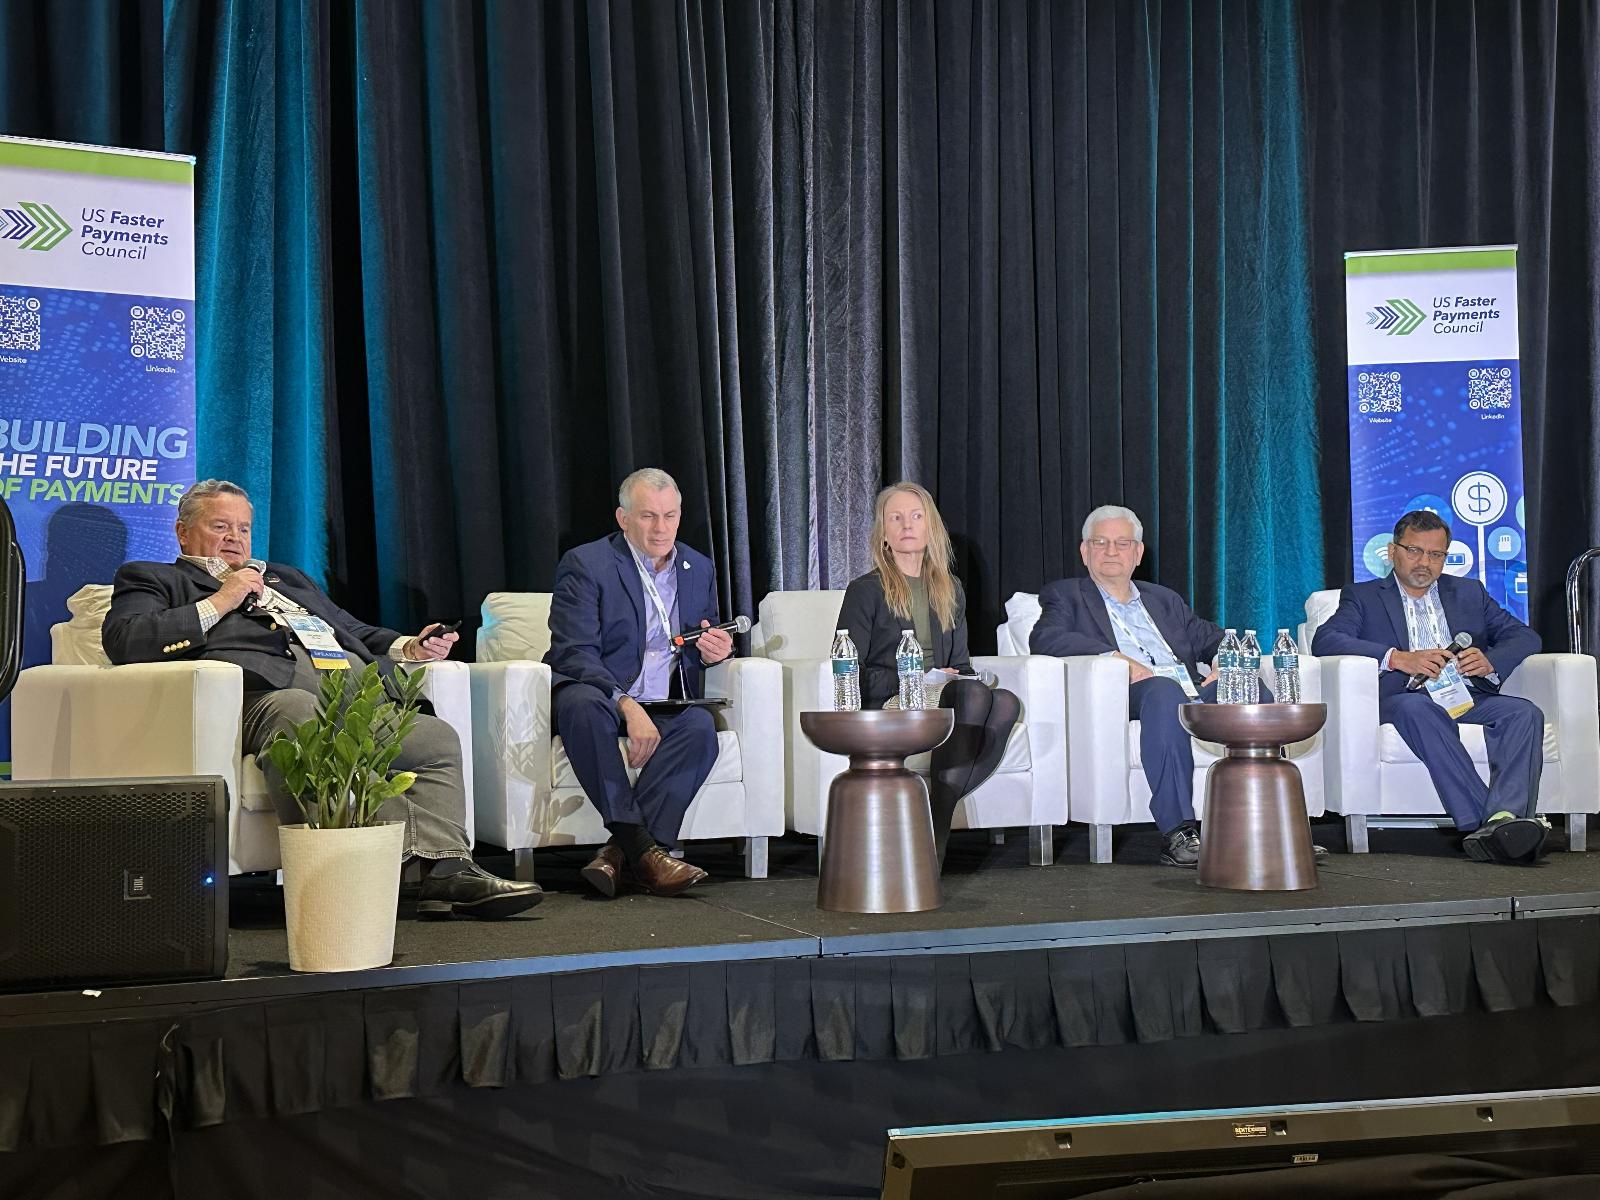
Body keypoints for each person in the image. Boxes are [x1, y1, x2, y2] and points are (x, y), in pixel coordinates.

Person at [103, 479, 543, 919]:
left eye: (243, 528)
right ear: (183, 532)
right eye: (220, 526)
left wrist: (411, 646)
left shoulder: (285, 579)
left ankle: (447, 871)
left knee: (434, 739)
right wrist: (223, 599)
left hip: (349, 695)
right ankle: (335, 875)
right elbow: (126, 640)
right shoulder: (153, 577)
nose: (234, 538)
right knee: (297, 710)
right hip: (262, 698)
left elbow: (351, 630)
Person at [1029, 504, 1265, 868]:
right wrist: (1115, 658)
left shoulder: (1163, 599)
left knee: (1251, 685)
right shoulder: (1066, 595)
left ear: (1137, 553)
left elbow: (1214, 638)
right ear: (1084, 551)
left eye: (1122, 543)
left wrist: (1224, 662)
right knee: (1163, 690)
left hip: (1191, 691)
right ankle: (1179, 832)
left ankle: (1268, 823)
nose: (1111, 551)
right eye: (1100, 542)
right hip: (1131, 694)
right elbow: (1045, 638)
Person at [1312, 509, 1548, 863]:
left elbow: (1525, 636)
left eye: (1436, 554)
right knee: (1418, 707)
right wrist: (1397, 658)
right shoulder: (1363, 596)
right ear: (1393, 551)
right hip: (1404, 698)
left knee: (1524, 713)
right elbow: (1326, 640)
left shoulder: (1469, 592)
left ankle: (1504, 817)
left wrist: (1490, 660)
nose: (1425, 562)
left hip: (1466, 696)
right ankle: (1492, 826)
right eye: (1414, 551)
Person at [546, 468, 733, 898]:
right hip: (597, 694)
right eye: (648, 516)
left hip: (661, 702)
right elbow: (574, 652)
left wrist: (715, 651)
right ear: (623, 518)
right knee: (582, 705)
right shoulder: (587, 563)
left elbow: (698, 638)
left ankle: (622, 855)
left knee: (700, 727)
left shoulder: (698, 567)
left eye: (670, 516)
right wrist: (626, 705)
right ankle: (641, 846)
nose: (660, 528)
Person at [837, 482, 1021, 866]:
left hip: (943, 695)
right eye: (896, 518)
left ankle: (933, 827)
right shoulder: (865, 591)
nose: (907, 525)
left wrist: (956, 678)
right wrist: (916, 680)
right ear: (883, 533)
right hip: (891, 700)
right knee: (974, 697)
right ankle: (934, 842)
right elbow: (850, 671)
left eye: (916, 516)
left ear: (930, 527)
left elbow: (962, 664)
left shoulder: (950, 588)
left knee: (1005, 702)